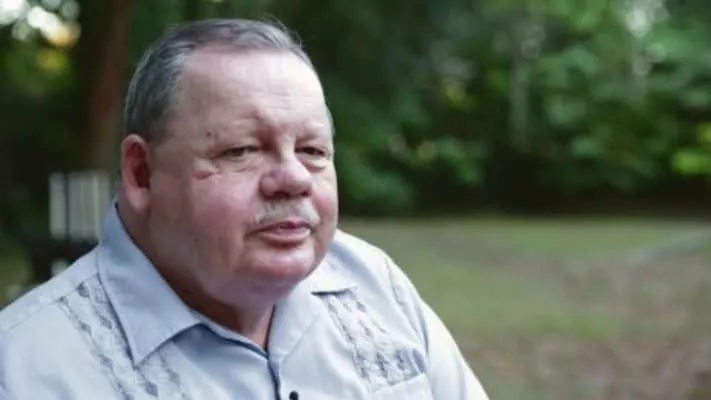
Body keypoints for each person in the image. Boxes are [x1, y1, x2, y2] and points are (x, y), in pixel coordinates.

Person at [0, 18, 489, 399]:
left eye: (313, 151)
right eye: (242, 150)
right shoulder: (23, 372)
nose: (294, 178)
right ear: (142, 174)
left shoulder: (376, 287)